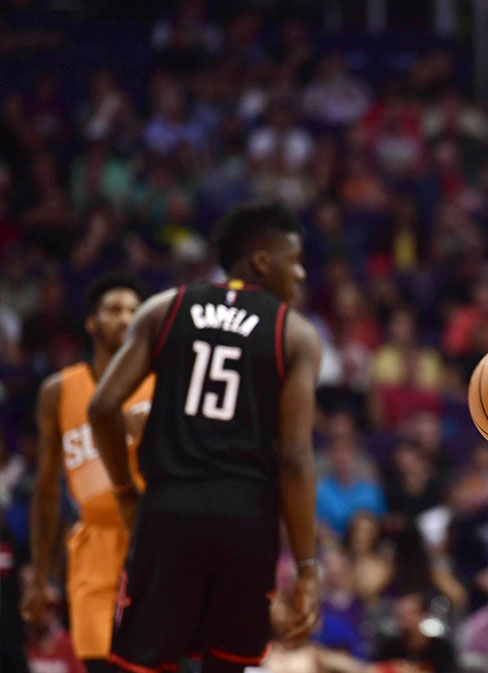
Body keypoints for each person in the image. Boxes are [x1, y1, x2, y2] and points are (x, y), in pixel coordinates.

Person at [88, 201, 323, 672]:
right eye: (293, 261)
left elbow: (102, 407)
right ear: (261, 261)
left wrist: (124, 490)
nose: (299, 275)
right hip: (246, 518)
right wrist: (306, 566)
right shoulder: (294, 334)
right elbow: (295, 458)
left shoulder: (165, 307)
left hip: (169, 510)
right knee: (227, 663)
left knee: (142, 663)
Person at [22, 272, 154, 673]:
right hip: (91, 545)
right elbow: (45, 491)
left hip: (151, 541)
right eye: (114, 310)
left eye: (134, 310)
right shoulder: (59, 391)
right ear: (92, 322)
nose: (126, 318)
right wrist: (42, 577)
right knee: (97, 666)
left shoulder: (161, 385)